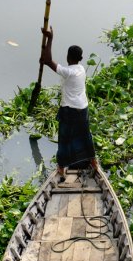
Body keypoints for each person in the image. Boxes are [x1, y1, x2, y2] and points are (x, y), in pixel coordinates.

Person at [39, 26, 97, 178]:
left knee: (64, 138)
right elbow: (48, 61)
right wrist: (45, 62)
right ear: (80, 58)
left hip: (70, 111)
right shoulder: (81, 69)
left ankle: (61, 167)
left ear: (68, 56)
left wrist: (50, 39)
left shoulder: (68, 72)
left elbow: (49, 60)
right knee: (85, 135)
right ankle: (93, 161)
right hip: (83, 109)